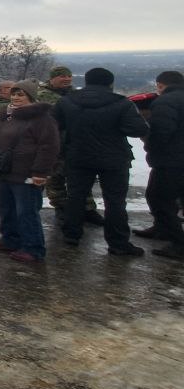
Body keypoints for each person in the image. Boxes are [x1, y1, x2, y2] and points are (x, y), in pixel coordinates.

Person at [54, 68, 149, 256]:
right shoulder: (122, 103)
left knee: (75, 197)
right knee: (115, 201)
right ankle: (118, 243)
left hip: (78, 156)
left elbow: (55, 126)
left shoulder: (67, 102)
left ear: (86, 81)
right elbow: (137, 129)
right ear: (110, 83)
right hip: (114, 158)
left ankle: (71, 235)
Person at [0, 80, 59, 264]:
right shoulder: (9, 117)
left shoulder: (42, 119)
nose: (16, 97)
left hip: (27, 174)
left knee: (26, 212)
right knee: (7, 208)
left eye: (21, 94)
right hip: (6, 171)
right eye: (14, 94)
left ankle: (33, 248)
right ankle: (10, 240)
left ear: (31, 97)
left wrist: (40, 172)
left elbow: (49, 147)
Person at [38, 65, 102, 225]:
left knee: (82, 178)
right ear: (52, 78)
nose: (66, 78)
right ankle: (61, 208)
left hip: (77, 142)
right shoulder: (42, 96)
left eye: (69, 76)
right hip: (54, 143)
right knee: (56, 178)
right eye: (62, 76)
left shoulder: (78, 94)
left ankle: (88, 209)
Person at [144, 71, 184, 261]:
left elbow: (160, 133)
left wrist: (150, 147)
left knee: (159, 198)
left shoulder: (165, 102)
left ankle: (178, 242)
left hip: (171, 160)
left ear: (160, 85)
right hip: (176, 158)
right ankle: (161, 228)